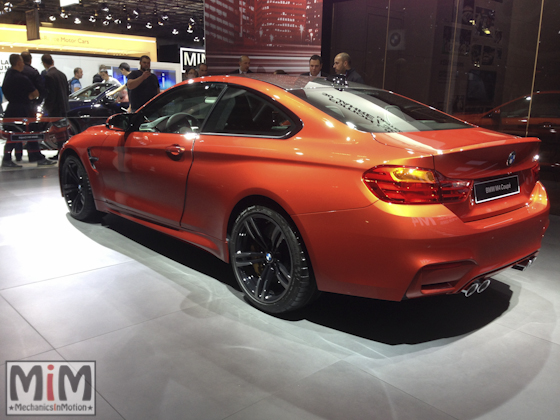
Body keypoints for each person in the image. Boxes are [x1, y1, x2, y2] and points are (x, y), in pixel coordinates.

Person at [2, 54, 55, 167]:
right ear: (19, 62)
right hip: (23, 110)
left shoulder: (8, 74)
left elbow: (5, 90)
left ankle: (9, 157)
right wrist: (29, 98)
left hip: (11, 109)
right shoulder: (23, 77)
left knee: (14, 134)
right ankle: (35, 156)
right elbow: (36, 93)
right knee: (30, 133)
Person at [41, 53, 70, 160]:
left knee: (58, 133)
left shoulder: (48, 76)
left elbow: (50, 95)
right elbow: (67, 92)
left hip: (55, 109)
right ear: (52, 61)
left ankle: (60, 153)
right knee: (64, 132)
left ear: (44, 63)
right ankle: (64, 152)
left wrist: (47, 109)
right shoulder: (62, 74)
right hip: (64, 107)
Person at [20, 51, 47, 162]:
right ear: (30, 59)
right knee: (32, 129)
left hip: (19, 105)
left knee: (18, 130)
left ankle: (17, 154)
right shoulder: (33, 72)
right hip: (31, 106)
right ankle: (34, 154)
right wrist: (38, 102)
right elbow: (42, 89)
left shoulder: (17, 72)